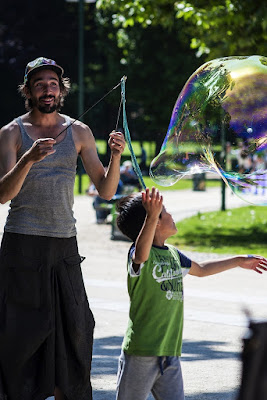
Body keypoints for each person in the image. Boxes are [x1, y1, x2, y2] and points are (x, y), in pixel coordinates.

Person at [0, 57, 125, 400]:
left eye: (53, 84)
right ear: (28, 89)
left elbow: (106, 190)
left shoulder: (79, 131)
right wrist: (29, 158)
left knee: (77, 330)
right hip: (23, 243)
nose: (47, 89)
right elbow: (2, 195)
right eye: (39, 83)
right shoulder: (11, 133)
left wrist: (115, 157)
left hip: (64, 245)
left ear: (62, 89)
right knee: (21, 335)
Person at [115, 187, 267, 400]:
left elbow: (202, 269)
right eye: (164, 211)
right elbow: (141, 254)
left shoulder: (174, 255)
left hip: (170, 352)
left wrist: (239, 261)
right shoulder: (139, 254)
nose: (170, 215)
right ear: (154, 221)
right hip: (141, 353)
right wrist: (151, 214)